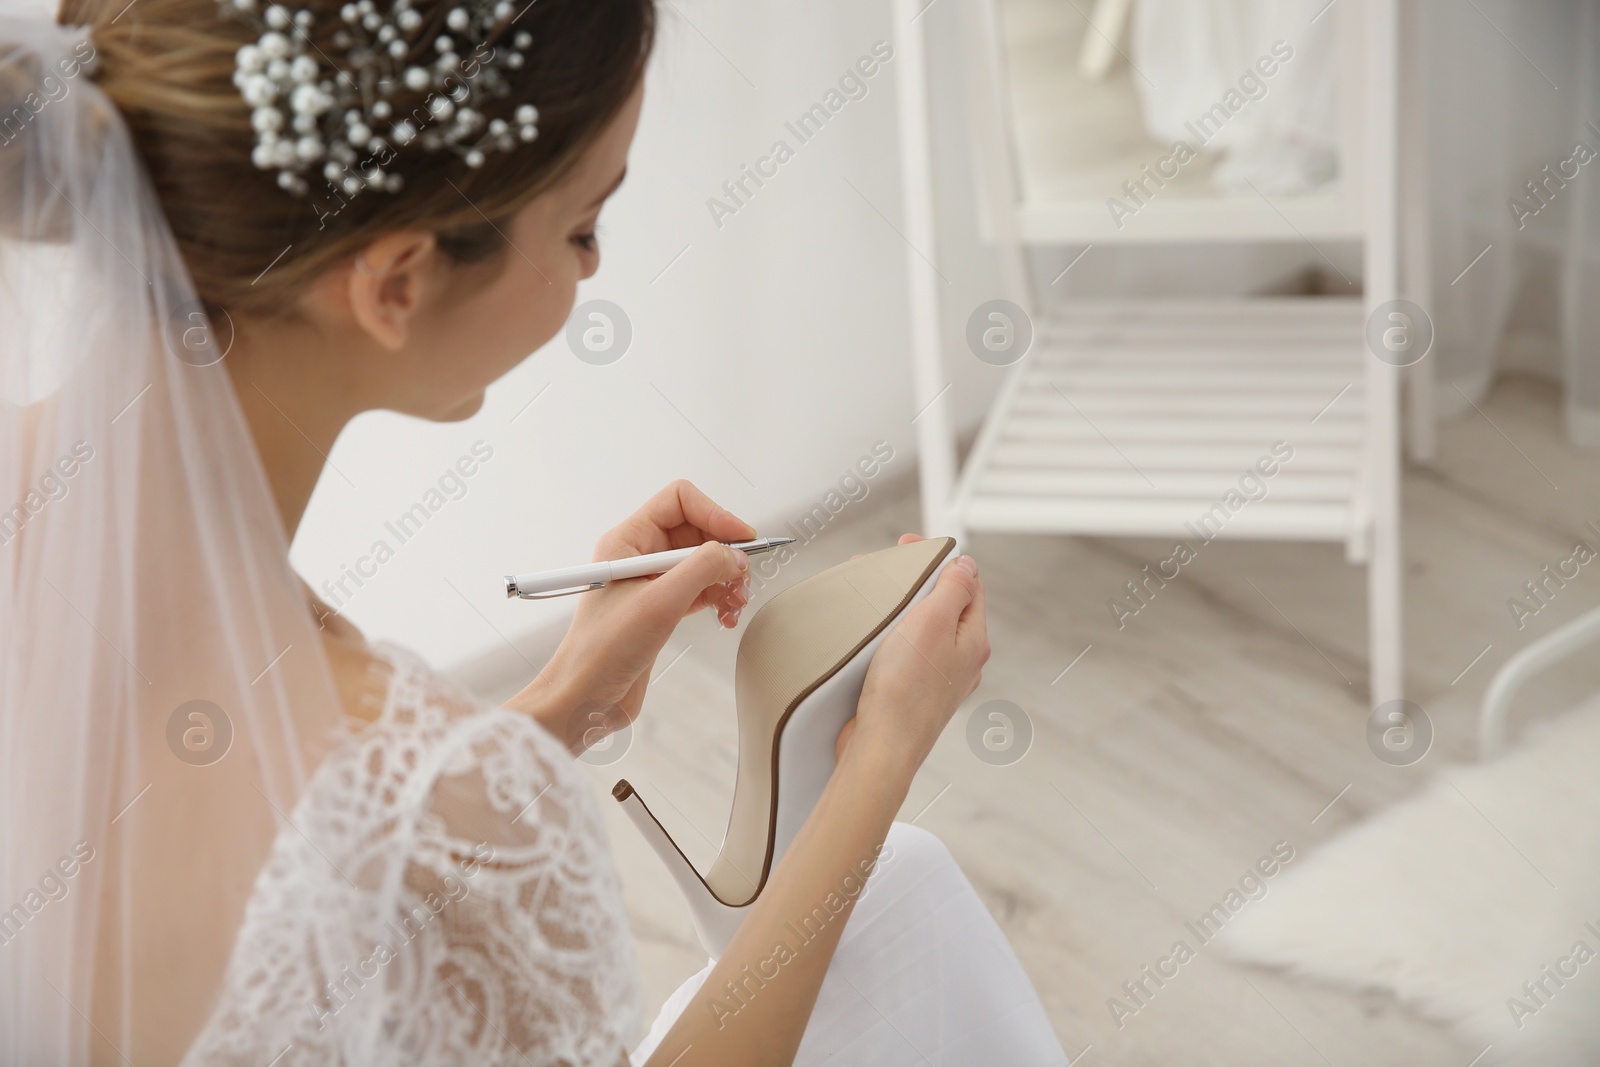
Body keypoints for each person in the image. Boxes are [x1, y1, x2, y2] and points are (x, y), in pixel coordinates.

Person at [0, 1, 1066, 1063]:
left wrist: (556, 705)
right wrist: (878, 760)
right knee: (905, 888)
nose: (593, 270)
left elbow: (298, 866)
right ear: (395, 282)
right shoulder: (448, 793)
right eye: (582, 227)